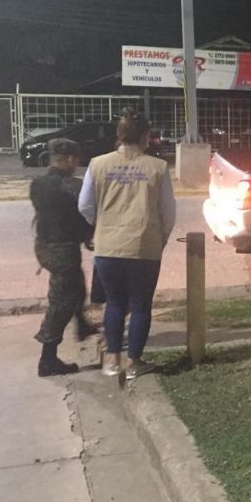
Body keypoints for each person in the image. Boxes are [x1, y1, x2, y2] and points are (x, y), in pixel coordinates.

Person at [79, 108, 176, 380]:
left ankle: (112, 361)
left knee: (114, 303)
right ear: (145, 136)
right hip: (144, 246)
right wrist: (160, 239)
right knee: (141, 305)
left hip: (108, 247)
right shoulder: (158, 167)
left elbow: (85, 205)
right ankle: (134, 362)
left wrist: (103, 224)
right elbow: (168, 212)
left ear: (119, 135)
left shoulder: (97, 164)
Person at [30, 138, 98, 377]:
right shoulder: (73, 186)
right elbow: (85, 214)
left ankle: (82, 325)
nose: (76, 164)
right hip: (63, 250)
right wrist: (89, 235)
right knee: (61, 303)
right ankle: (47, 359)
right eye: (75, 160)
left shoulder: (38, 184)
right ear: (69, 159)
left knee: (77, 287)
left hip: (44, 246)